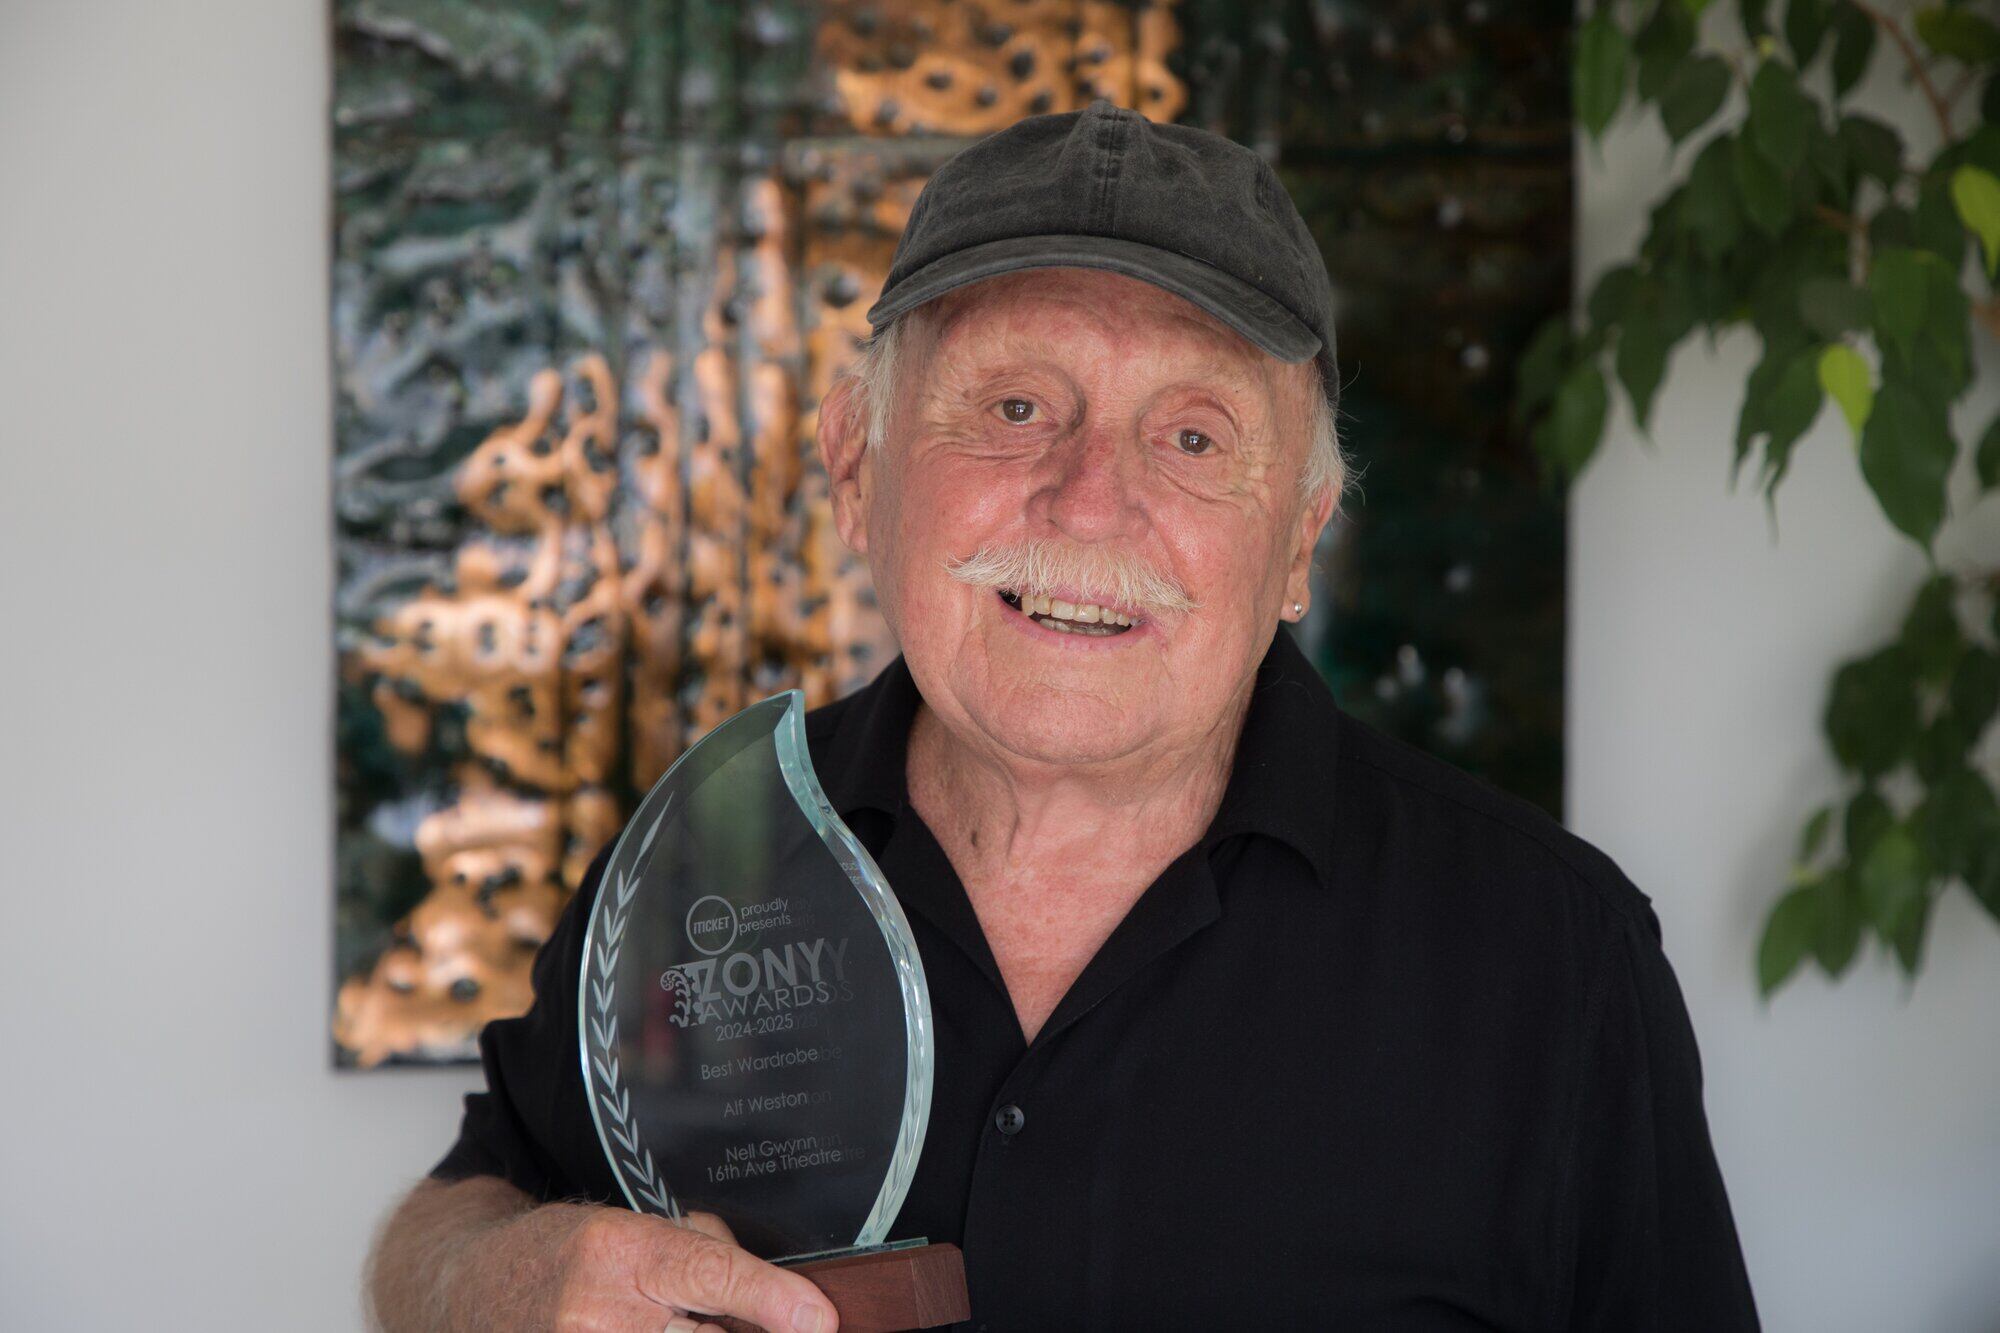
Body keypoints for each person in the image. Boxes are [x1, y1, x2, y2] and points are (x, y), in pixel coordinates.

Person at [366, 100, 1761, 1332]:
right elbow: (459, 1215)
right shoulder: (705, 859)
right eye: (1017, 405)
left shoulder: (1553, 963)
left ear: (1298, 542)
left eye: (1195, 435)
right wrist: (495, 1281)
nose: (1091, 499)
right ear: (859, 473)